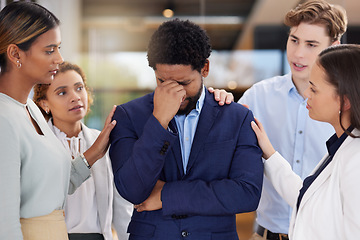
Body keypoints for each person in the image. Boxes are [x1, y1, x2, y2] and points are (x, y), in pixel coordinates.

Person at [109, 18, 264, 240]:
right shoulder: (127, 116)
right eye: (163, 81)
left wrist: (167, 195)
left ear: (205, 68)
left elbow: (246, 194)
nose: (175, 93)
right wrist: (159, 121)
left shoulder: (237, 117)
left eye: (183, 83)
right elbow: (131, 190)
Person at [0, 2, 115, 240]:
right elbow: (4, 223)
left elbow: (52, 186)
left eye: (59, 48)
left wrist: (95, 151)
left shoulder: (30, 109)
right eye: (50, 50)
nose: (60, 58)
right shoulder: (3, 118)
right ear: (14, 54)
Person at [237, 1, 348, 239]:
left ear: (334, 47)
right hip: (266, 234)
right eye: (294, 40)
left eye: (311, 45)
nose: (298, 53)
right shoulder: (257, 97)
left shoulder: (345, 110)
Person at [251, 43, 360, 240]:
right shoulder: (340, 145)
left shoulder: (356, 160)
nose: (307, 94)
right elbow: (305, 197)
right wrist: (269, 153)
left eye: (314, 89)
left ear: (345, 101)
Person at [33, 62, 133, 240]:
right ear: (44, 104)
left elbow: (121, 206)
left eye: (79, 88)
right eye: (62, 92)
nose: (75, 97)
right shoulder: (37, 144)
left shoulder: (103, 140)